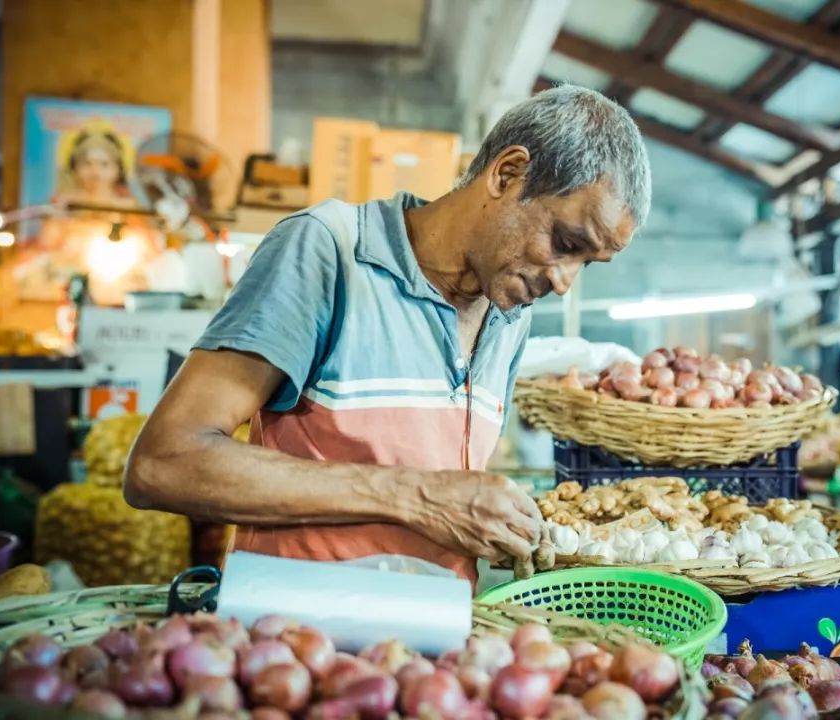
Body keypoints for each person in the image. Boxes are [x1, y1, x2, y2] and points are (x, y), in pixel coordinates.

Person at [124, 85, 652, 585]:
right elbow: (164, 462)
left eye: (589, 263)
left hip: (429, 659)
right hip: (296, 650)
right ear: (507, 173)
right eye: (564, 241)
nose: (564, 282)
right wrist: (414, 495)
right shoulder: (329, 253)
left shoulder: (509, 308)